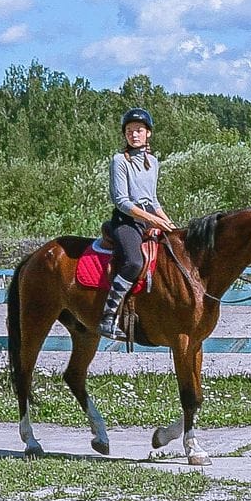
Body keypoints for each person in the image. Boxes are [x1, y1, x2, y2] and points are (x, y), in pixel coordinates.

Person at [99, 107, 179, 339]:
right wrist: (153, 220)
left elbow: (152, 199)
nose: (134, 135)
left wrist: (168, 223)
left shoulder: (153, 162)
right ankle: (108, 316)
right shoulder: (119, 161)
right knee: (134, 262)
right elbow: (121, 201)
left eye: (139, 130)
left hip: (147, 219)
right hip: (126, 221)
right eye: (129, 131)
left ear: (148, 134)